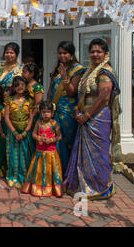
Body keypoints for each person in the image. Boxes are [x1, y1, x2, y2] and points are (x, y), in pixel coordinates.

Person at [63, 39, 122, 200]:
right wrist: (78, 112)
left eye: (99, 52)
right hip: (85, 118)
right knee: (84, 153)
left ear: (105, 54)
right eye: (93, 51)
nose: (95, 54)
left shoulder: (105, 72)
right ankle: (84, 184)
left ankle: (99, 186)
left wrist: (87, 115)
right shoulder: (91, 70)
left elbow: (104, 96)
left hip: (98, 119)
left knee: (98, 153)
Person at [47, 41, 85, 175]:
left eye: (65, 53)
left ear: (71, 54)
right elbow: (51, 89)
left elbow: (71, 92)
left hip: (67, 114)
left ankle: (67, 175)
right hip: (55, 110)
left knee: (65, 143)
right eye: (60, 53)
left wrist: (64, 77)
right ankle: (54, 173)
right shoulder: (57, 68)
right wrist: (47, 107)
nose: (62, 56)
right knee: (54, 143)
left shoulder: (77, 70)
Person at [21, 101, 63, 198]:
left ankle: (53, 189)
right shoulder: (38, 123)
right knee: (39, 172)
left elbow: (59, 136)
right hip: (39, 153)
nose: (46, 114)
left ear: (52, 113)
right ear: (40, 113)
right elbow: (33, 134)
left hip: (51, 153)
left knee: (50, 172)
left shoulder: (54, 123)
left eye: (48, 112)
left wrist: (52, 140)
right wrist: (39, 138)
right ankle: (38, 189)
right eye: (44, 112)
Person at [4, 76, 34, 188]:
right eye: (17, 85)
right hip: (13, 132)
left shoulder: (30, 101)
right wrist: (15, 132)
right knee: (14, 155)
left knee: (26, 154)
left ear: (26, 86)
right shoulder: (9, 100)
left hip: (26, 133)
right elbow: (6, 117)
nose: (20, 87)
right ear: (14, 87)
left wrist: (26, 132)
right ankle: (14, 176)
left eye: (22, 85)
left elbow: (31, 118)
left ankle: (25, 177)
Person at [22, 62, 44, 155]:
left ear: (32, 74)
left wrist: (30, 117)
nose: (22, 74)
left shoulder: (37, 87)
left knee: (31, 142)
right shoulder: (22, 85)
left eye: (25, 72)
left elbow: (37, 105)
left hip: (32, 118)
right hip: (21, 117)